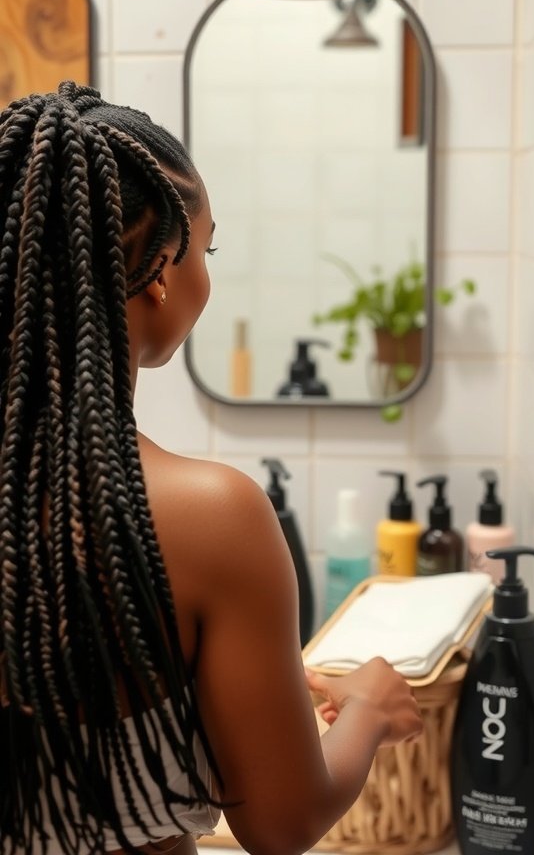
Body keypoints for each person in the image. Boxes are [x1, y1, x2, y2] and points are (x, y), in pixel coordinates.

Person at [0, 81, 422, 855]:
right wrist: (369, 709)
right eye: (208, 247)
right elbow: (282, 820)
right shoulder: (212, 517)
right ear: (160, 270)